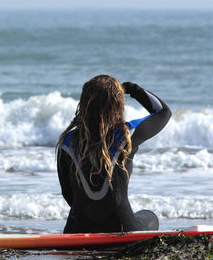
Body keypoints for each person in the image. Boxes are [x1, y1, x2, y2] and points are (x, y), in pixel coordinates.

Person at [57, 75, 171, 233]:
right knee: (150, 217)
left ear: (83, 103)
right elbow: (163, 112)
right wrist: (133, 89)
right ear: (117, 104)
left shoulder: (66, 142)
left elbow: (66, 192)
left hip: (76, 229)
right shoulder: (127, 135)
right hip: (121, 229)